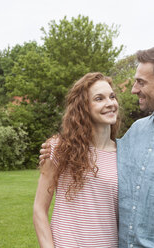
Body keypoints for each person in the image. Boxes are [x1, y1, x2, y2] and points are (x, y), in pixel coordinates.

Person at [40, 47, 154, 247]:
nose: (134, 89)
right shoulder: (137, 131)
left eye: (141, 82)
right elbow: (99, 151)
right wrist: (59, 147)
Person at [33, 72, 120, 247]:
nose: (110, 103)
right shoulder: (59, 148)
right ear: (83, 107)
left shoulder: (125, 154)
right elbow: (39, 210)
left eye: (112, 96)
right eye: (99, 99)